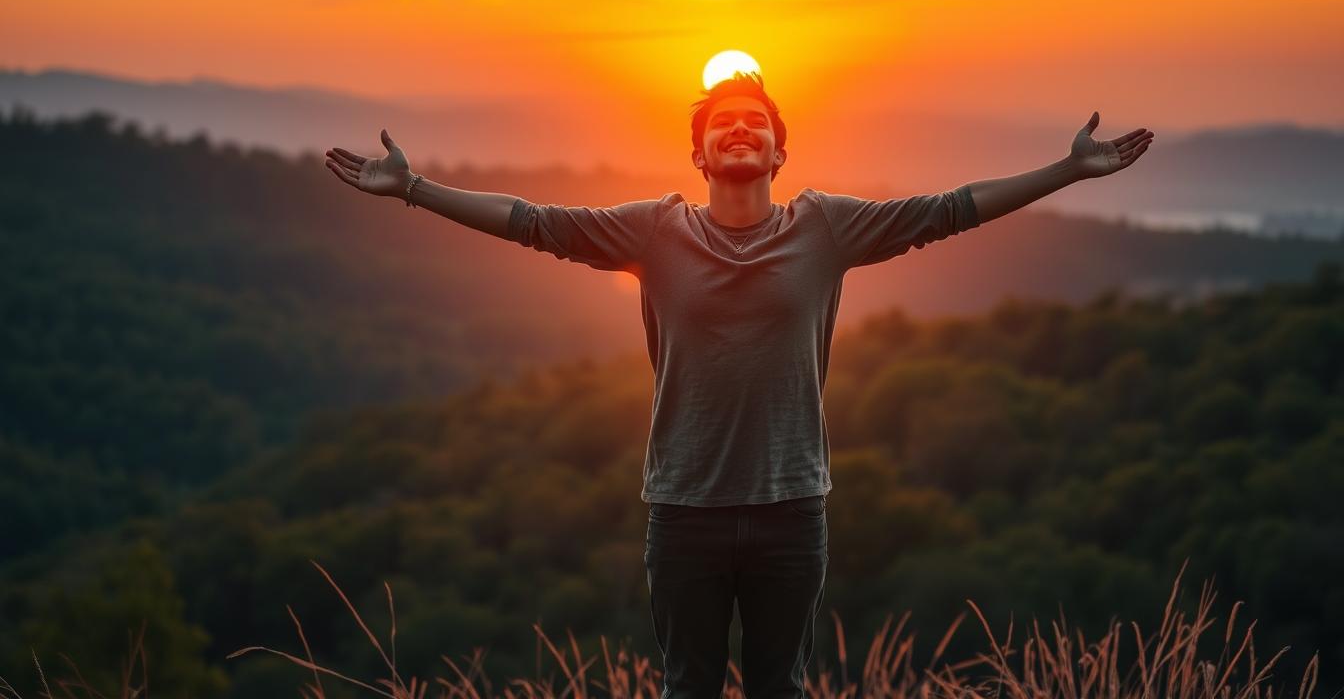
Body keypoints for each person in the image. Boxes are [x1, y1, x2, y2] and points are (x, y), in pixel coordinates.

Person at [323, 72, 1153, 698]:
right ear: (699, 152)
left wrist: (1067, 172)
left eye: (756, 122)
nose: (740, 131)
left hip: (793, 511)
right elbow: (535, 223)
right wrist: (417, 191)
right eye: (724, 124)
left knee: (778, 692)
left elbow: (948, 209)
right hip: (683, 510)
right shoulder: (656, 231)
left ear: (780, 151)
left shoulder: (826, 227)